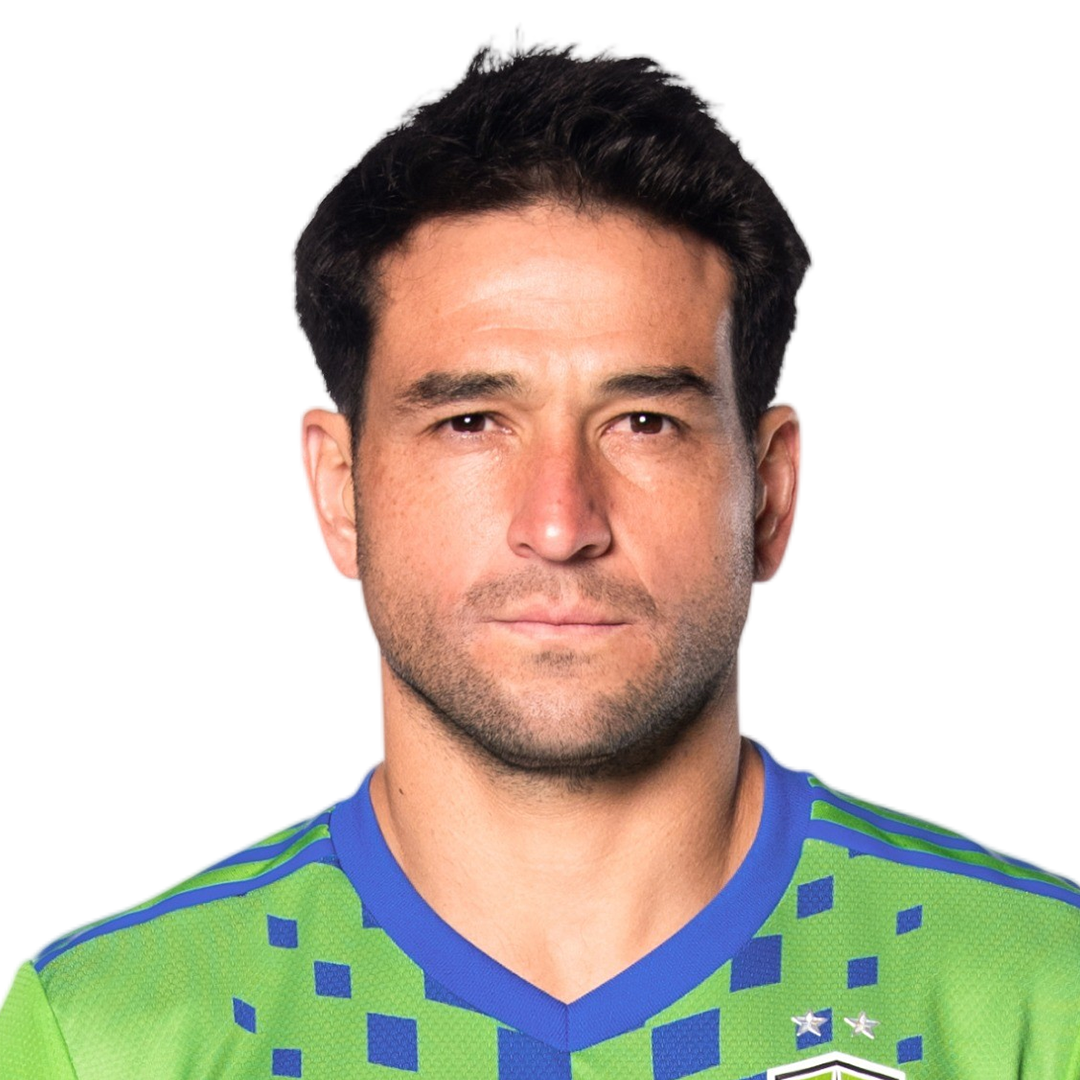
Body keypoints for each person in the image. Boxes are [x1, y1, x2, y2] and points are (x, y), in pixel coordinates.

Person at [2, 27, 1078, 1080]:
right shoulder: (107, 1038)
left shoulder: (1042, 997)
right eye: (470, 422)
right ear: (337, 490)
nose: (560, 524)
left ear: (770, 493)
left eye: (644, 423)